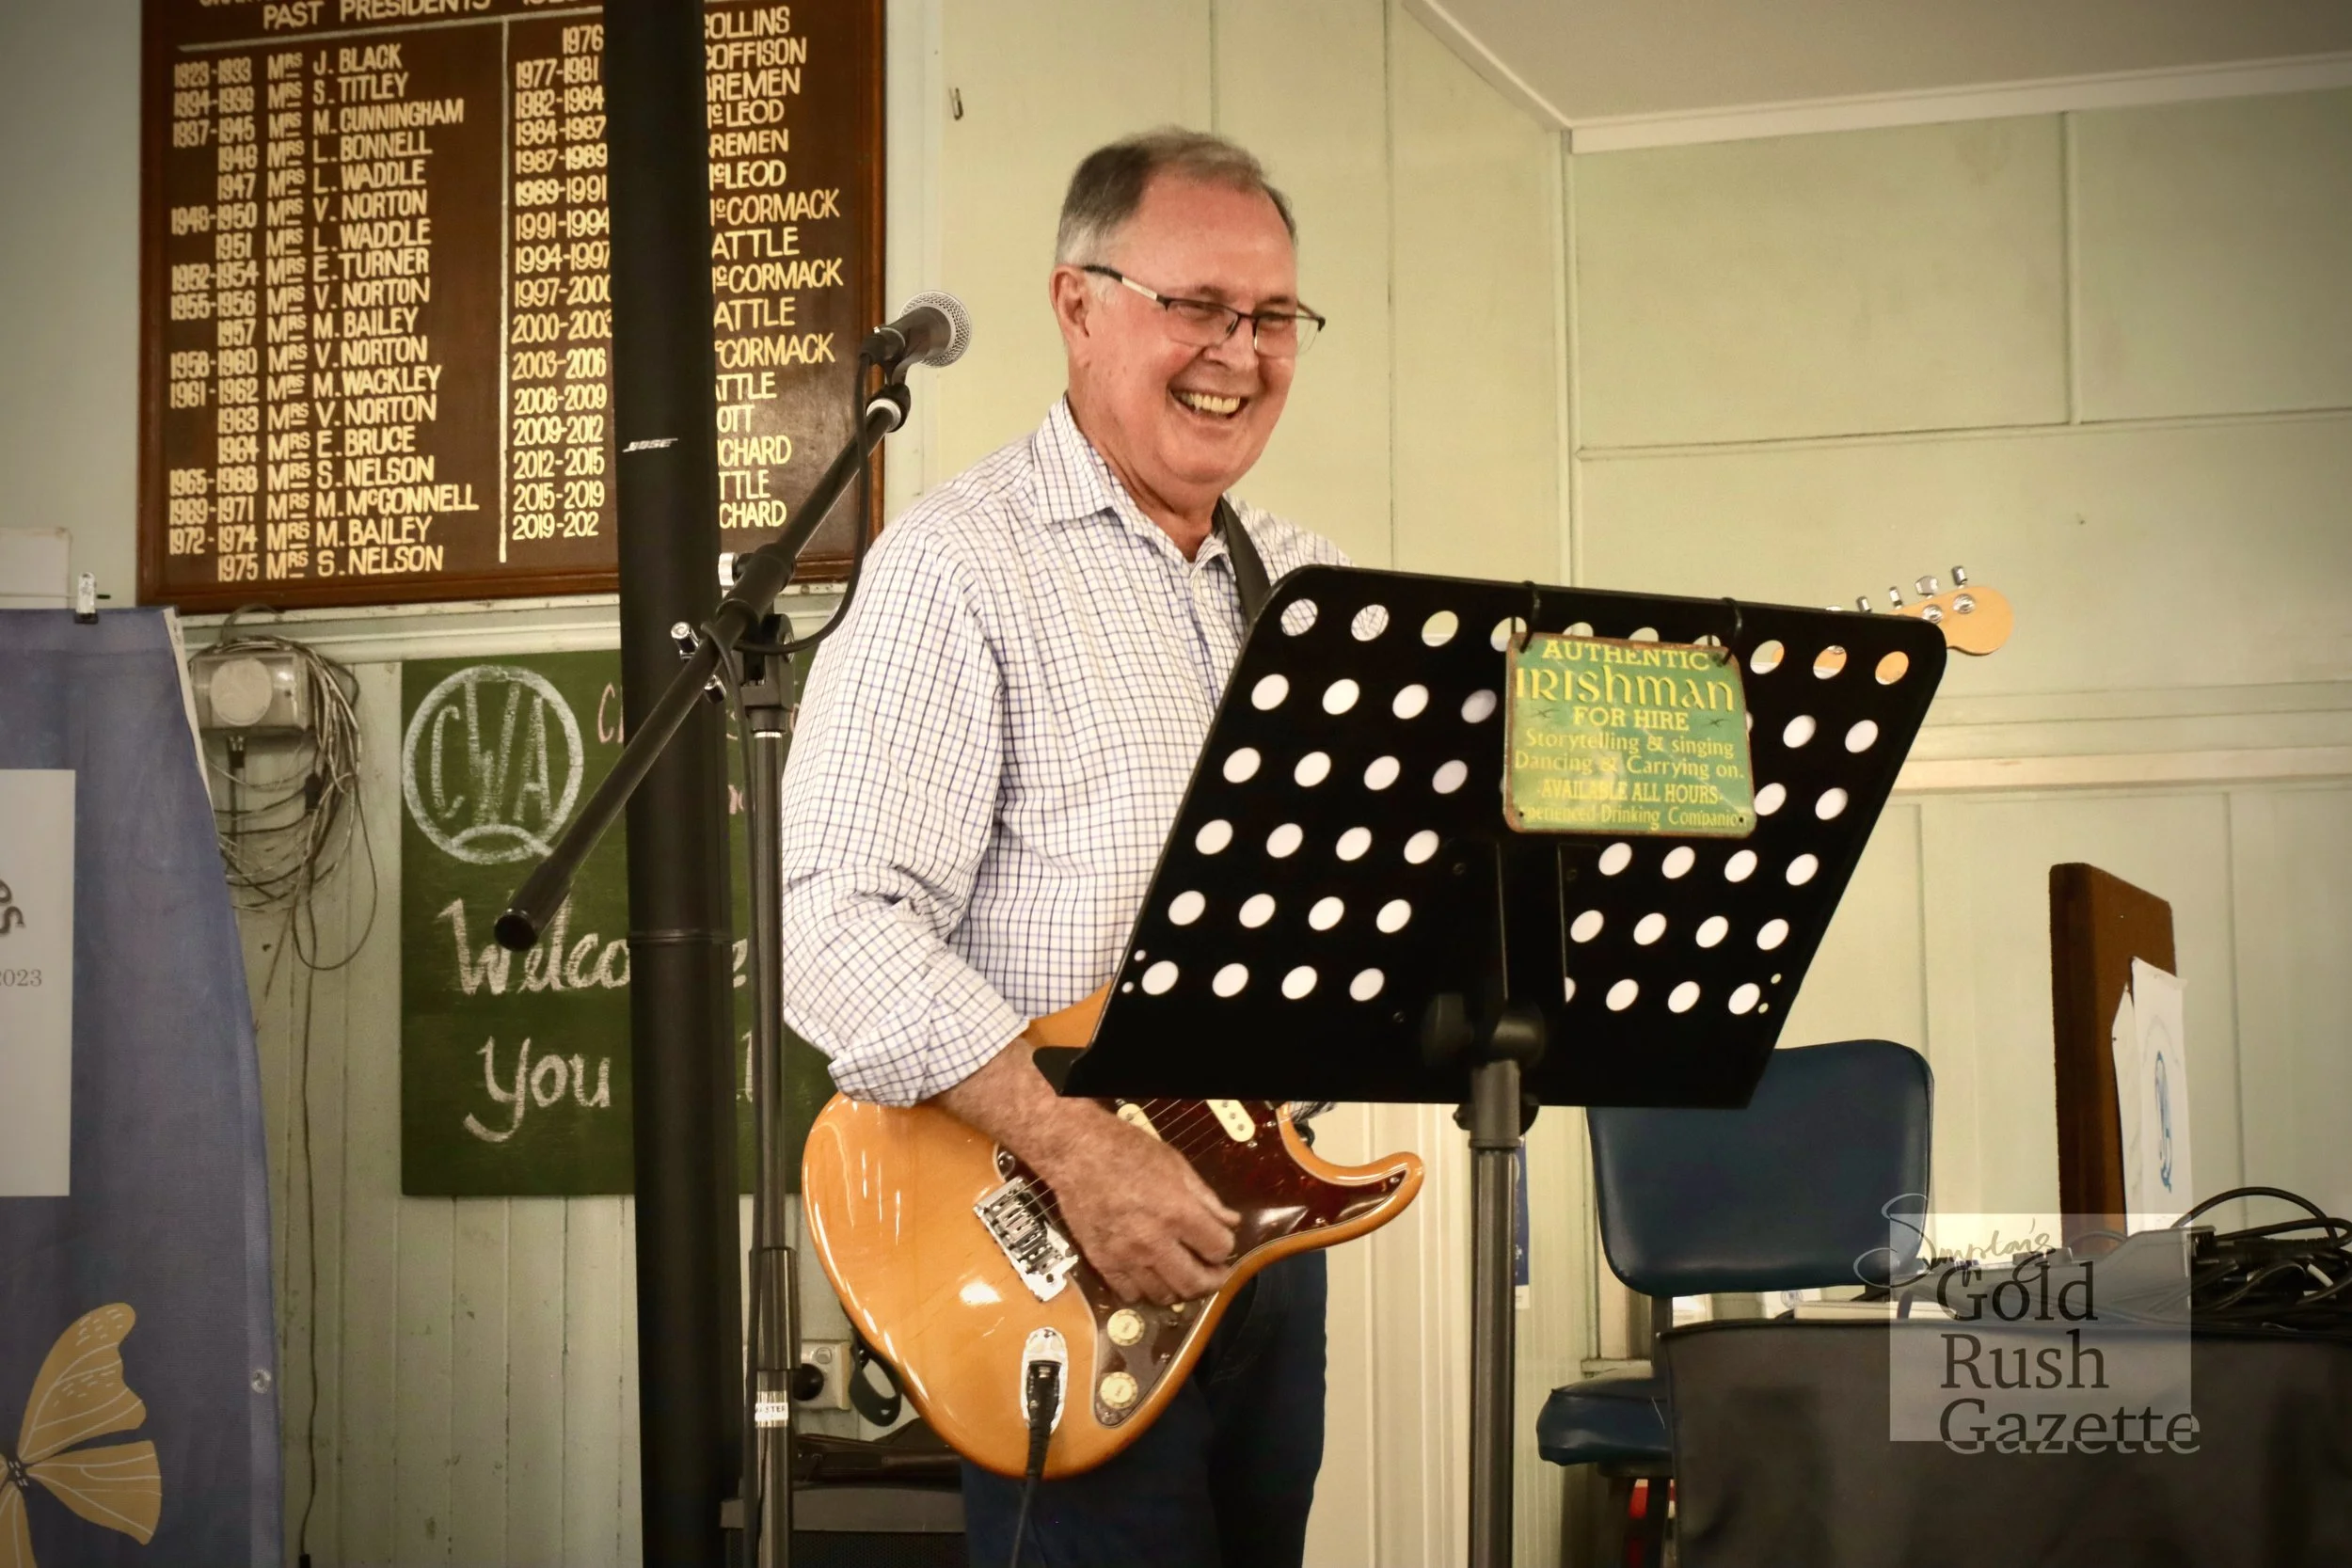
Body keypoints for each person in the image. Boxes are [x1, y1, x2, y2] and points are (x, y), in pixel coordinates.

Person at [776, 128, 1343, 1567]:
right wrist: (1077, 1150)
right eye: (1198, 305)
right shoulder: (958, 564)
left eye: (1273, 316)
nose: (1239, 353)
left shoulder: (1314, 587)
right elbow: (832, 923)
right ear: (1077, 305)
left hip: (1265, 1244)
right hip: (1057, 1241)